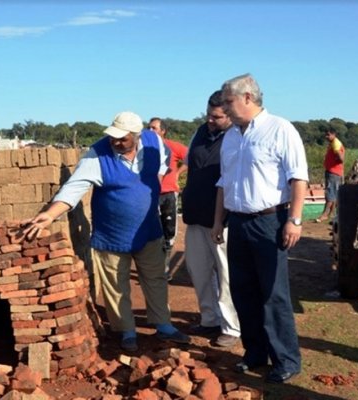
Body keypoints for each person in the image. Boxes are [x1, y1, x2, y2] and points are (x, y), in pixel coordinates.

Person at [22, 111, 191, 353]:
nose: (116, 142)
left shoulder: (154, 144)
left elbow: (164, 164)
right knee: (116, 284)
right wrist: (49, 215)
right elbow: (74, 188)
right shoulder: (97, 155)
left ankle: (163, 326)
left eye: (122, 138)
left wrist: (152, 185)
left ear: (136, 135)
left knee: (155, 278)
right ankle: (127, 331)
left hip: (148, 229)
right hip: (112, 235)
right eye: (113, 137)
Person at [211, 74, 307, 383]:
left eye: (229, 101)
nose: (225, 107)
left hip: (270, 221)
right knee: (243, 290)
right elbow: (224, 183)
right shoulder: (231, 137)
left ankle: (286, 360)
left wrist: (294, 219)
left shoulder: (280, 129)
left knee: (273, 294)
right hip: (238, 222)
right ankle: (255, 353)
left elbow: (298, 178)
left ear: (248, 98)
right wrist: (218, 221)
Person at [181, 90, 240, 348]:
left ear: (229, 115)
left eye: (216, 117)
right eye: (208, 115)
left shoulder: (237, 137)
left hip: (222, 219)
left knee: (226, 274)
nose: (210, 121)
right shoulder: (200, 133)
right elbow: (190, 164)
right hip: (195, 214)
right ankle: (209, 319)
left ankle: (231, 326)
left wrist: (221, 218)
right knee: (199, 270)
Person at [147, 118, 188, 276]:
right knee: (153, 228)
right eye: (149, 128)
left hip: (169, 192)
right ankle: (155, 266)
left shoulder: (173, 146)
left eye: (154, 128)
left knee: (169, 229)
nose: (151, 131)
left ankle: (165, 266)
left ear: (163, 131)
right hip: (151, 193)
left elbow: (190, 157)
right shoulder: (144, 148)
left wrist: (178, 173)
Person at [315, 127, 345, 223]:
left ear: (333, 134)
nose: (326, 136)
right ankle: (331, 214)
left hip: (333, 172)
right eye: (326, 134)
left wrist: (336, 161)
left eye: (328, 134)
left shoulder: (336, 144)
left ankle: (325, 215)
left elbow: (341, 158)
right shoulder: (334, 143)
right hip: (335, 172)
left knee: (329, 193)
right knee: (334, 193)